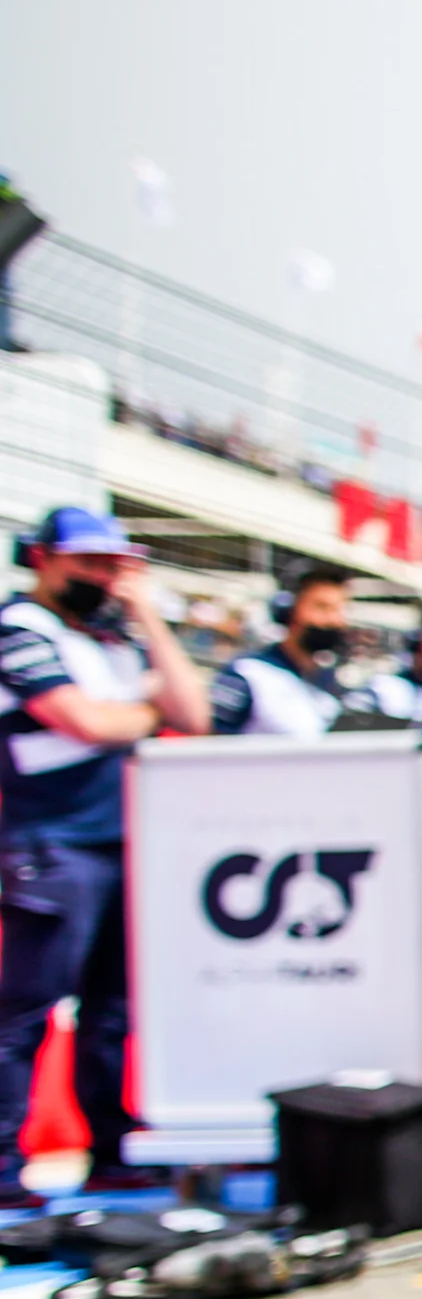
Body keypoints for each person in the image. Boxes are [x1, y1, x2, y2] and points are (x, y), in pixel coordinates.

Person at [0, 508, 211, 1205]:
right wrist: (143, 718)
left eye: (110, 563)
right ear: (41, 557)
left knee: (114, 1013)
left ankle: (115, 1151)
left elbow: (195, 714)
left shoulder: (116, 639)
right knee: (25, 1011)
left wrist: (148, 616)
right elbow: (86, 721)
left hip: (125, 844)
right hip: (49, 844)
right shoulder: (18, 628)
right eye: (85, 561)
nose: (99, 574)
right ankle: (3, 1168)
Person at [209, 572, 374, 736]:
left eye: (339, 610)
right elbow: (210, 748)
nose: (334, 620)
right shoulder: (247, 674)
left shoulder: (330, 683)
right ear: (288, 609)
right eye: (322, 607)